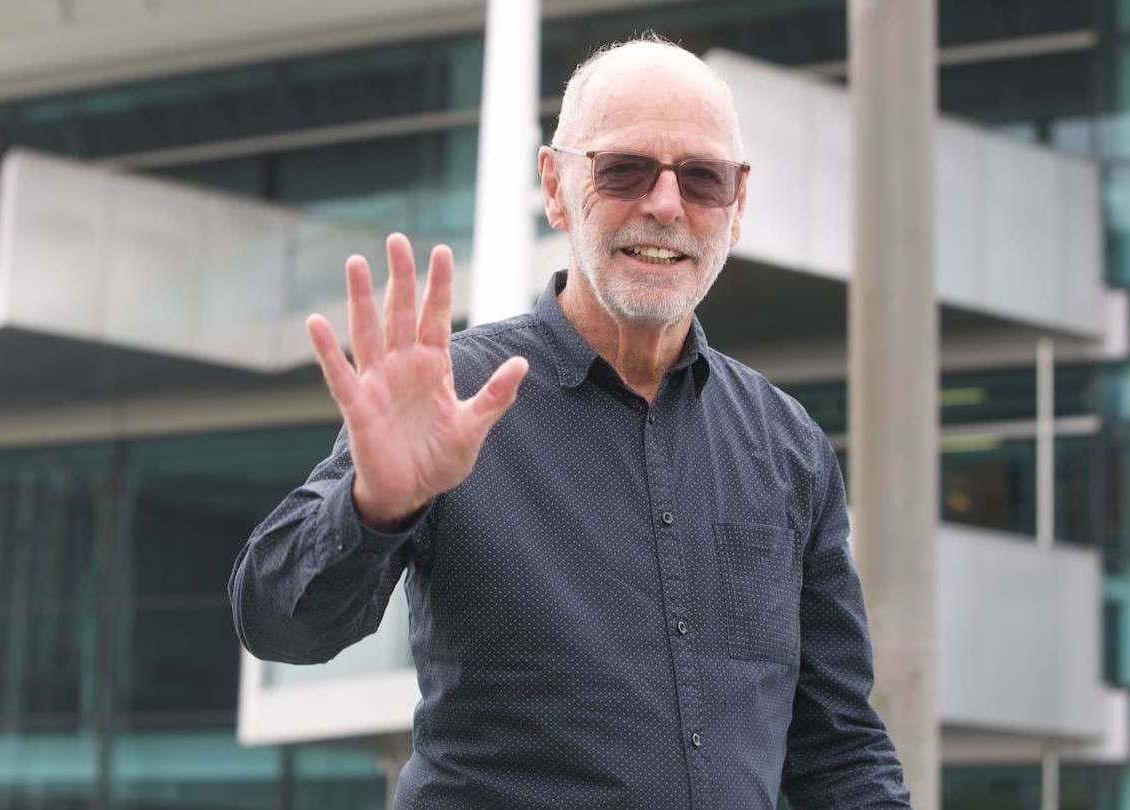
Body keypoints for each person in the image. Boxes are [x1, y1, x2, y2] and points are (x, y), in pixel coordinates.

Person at [230, 35, 912, 810]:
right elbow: (278, 625)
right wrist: (374, 508)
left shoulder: (788, 447)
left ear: (738, 202)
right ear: (555, 187)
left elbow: (838, 750)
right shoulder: (451, 397)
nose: (665, 205)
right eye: (624, 170)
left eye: (702, 177)